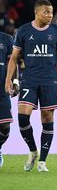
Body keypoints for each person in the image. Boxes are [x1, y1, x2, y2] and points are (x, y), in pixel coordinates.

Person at [5, 0, 57, 172]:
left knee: (47, 118)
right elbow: (14, 57)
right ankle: (32, 150)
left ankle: (42, 160)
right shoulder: (24, 30)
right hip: (29, 79)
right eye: (46, 12)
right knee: (22, 117)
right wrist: (8, 79)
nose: (50, 15)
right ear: (37, 12)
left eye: (51, 12)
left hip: (49, 81)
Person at [0, 30, 19, 168]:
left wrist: (16, 81)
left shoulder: (6, 38)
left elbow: (13, 60)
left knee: (5, 126)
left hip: (2, 90)